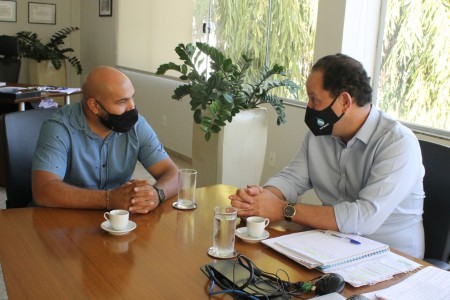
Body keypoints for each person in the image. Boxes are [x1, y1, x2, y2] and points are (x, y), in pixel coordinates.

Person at [229, 54, 425, 258]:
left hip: (392, 259)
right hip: (333, 246)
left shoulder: (397, 143)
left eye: (315, 99)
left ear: (344, 101)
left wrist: (282, 209)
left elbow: (363, 217)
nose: (310, 107)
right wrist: (260, 199)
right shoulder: (321, 135)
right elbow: (292, 179)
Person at [32, 66, 178, 214]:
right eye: (122, 102)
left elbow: (173, 174)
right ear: (94, 106)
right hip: (63, 219)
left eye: (132, 97)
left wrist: (156, 194)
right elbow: (43, 191)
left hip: (116, 220)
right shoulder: (59, 127)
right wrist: (108, 199)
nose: (132, 107)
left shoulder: (137, 126)